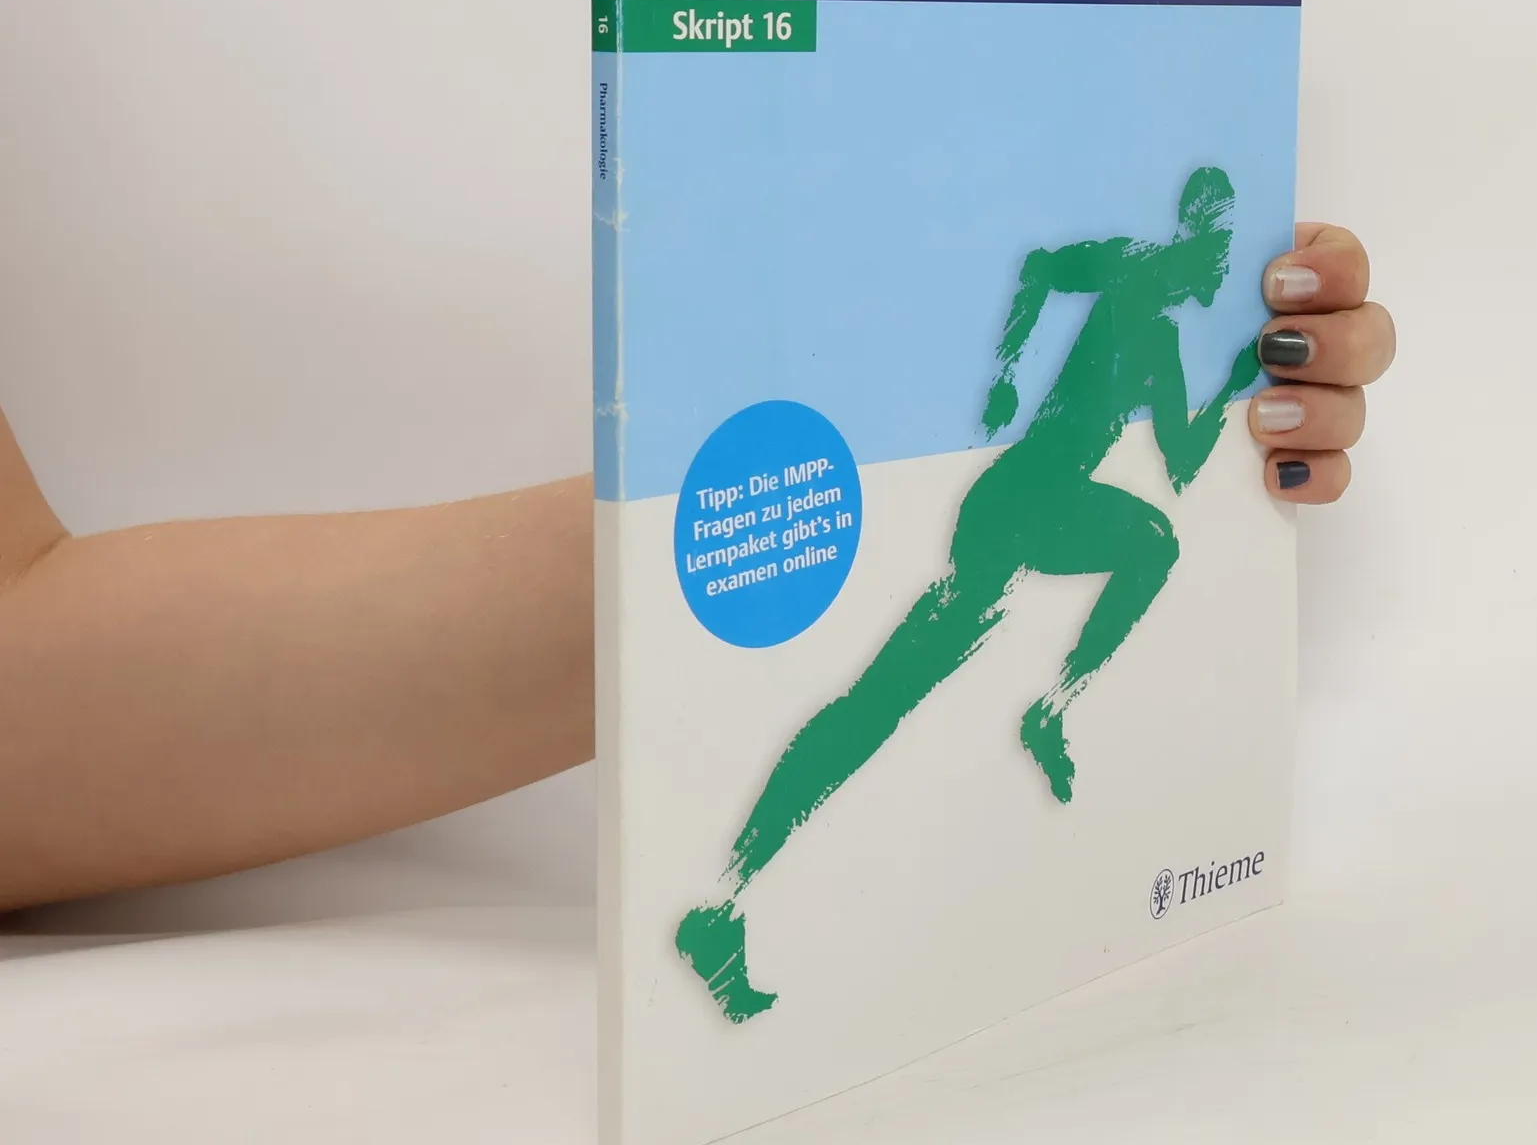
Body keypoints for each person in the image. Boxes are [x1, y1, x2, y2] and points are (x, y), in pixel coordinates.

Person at [0, 221, 1394, 915]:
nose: (1212, 248)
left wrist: (1247, 397)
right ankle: (760, 877)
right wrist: (955, 408)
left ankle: (1005, 735)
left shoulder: (1156, 321)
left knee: (923, 674)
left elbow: (33, 689)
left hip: (987, 497)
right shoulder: (1121, 284)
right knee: (892, 696)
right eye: (1209, 231)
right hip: (995, 497)